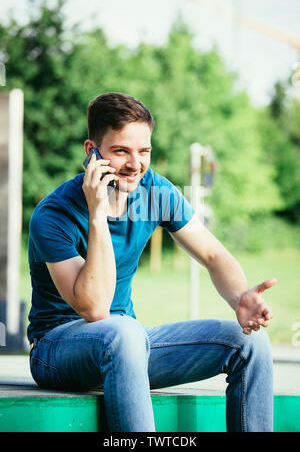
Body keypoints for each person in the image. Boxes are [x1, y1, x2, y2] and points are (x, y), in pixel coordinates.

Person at [27, 92, 277, 432]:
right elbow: (96, 309)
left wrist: (240, 297)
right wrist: (97, 215)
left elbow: (213, 254)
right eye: (121, 151)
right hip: (56, 352)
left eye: (143, 151)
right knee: (123, 330)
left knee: (249, 342)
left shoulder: (155, 192)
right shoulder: (54, 214)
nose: (135, 164)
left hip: (128, 346)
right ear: (92, 152)